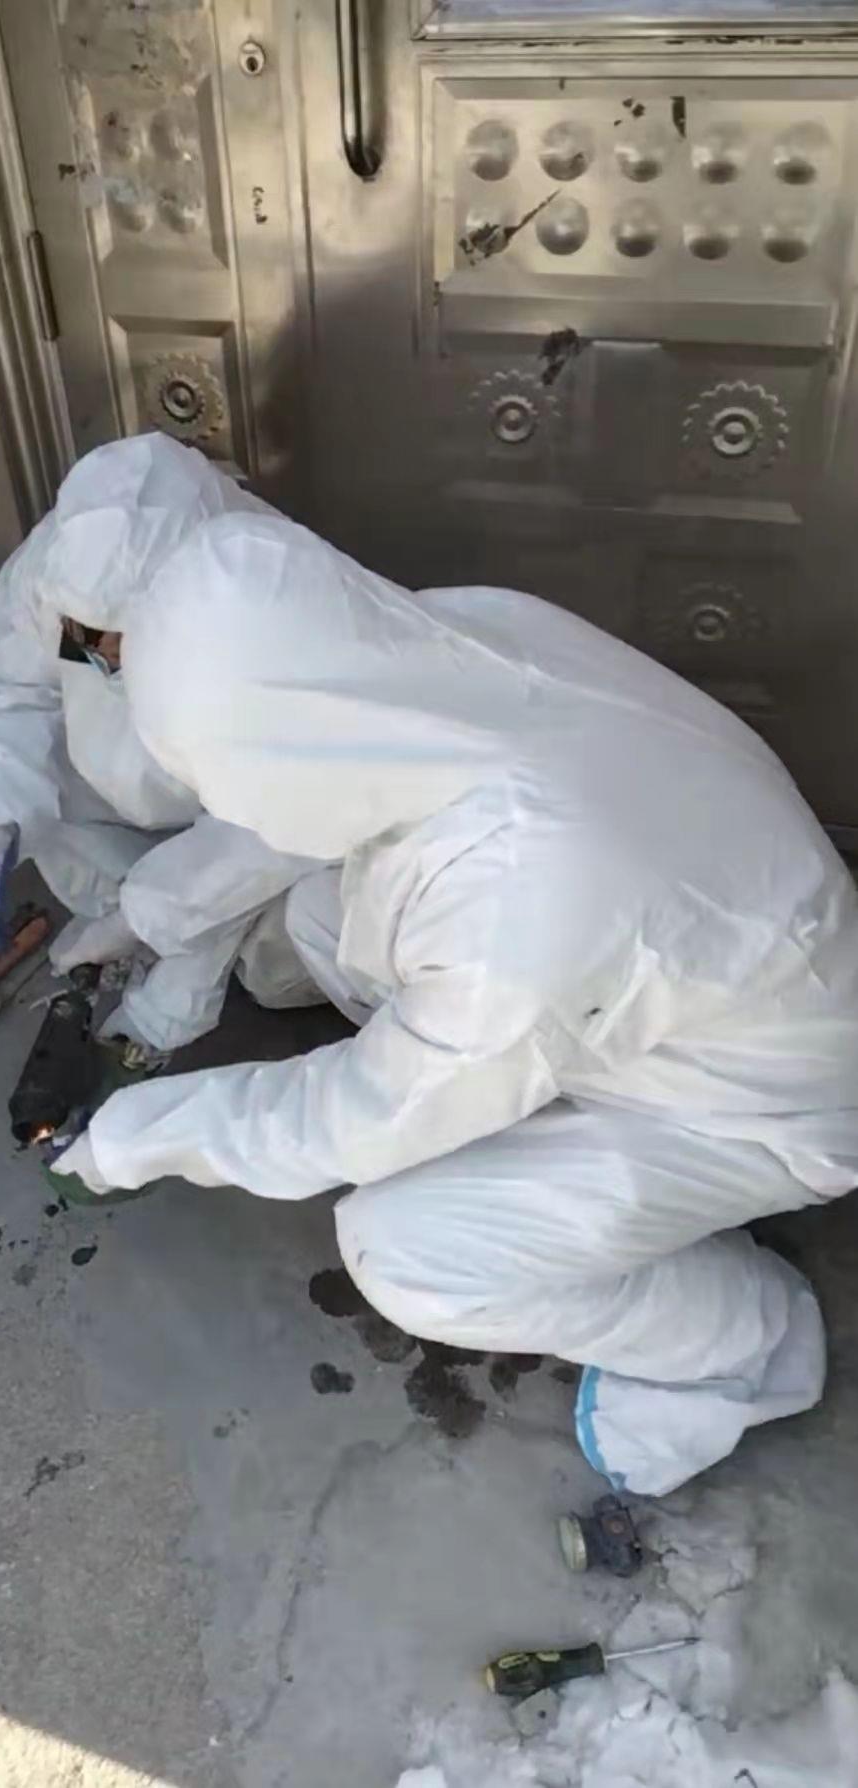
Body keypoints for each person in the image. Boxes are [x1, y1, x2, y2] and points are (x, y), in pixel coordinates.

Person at [48, 496, 858, 1496]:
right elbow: (296, 801)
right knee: (323, 916)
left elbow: (350, 1124)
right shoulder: (455, 635)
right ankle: (523, 1122)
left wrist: (139, 1136)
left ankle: (747, 1337)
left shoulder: (518, 911)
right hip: (711, 954)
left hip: (751, 1107)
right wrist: (147, 911)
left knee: (405, 1251)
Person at [0, 435, 321, 1053]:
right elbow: (13, 692)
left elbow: (272, 828)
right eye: (85, 635)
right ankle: (139, 922)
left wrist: (165, 1006)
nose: (102, 653)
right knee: (47, 800)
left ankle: (182, 940)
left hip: (253, 834)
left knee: (283, 957)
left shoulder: (276, 599)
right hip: (138, 802)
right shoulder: (62, 568)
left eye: (121, 636)